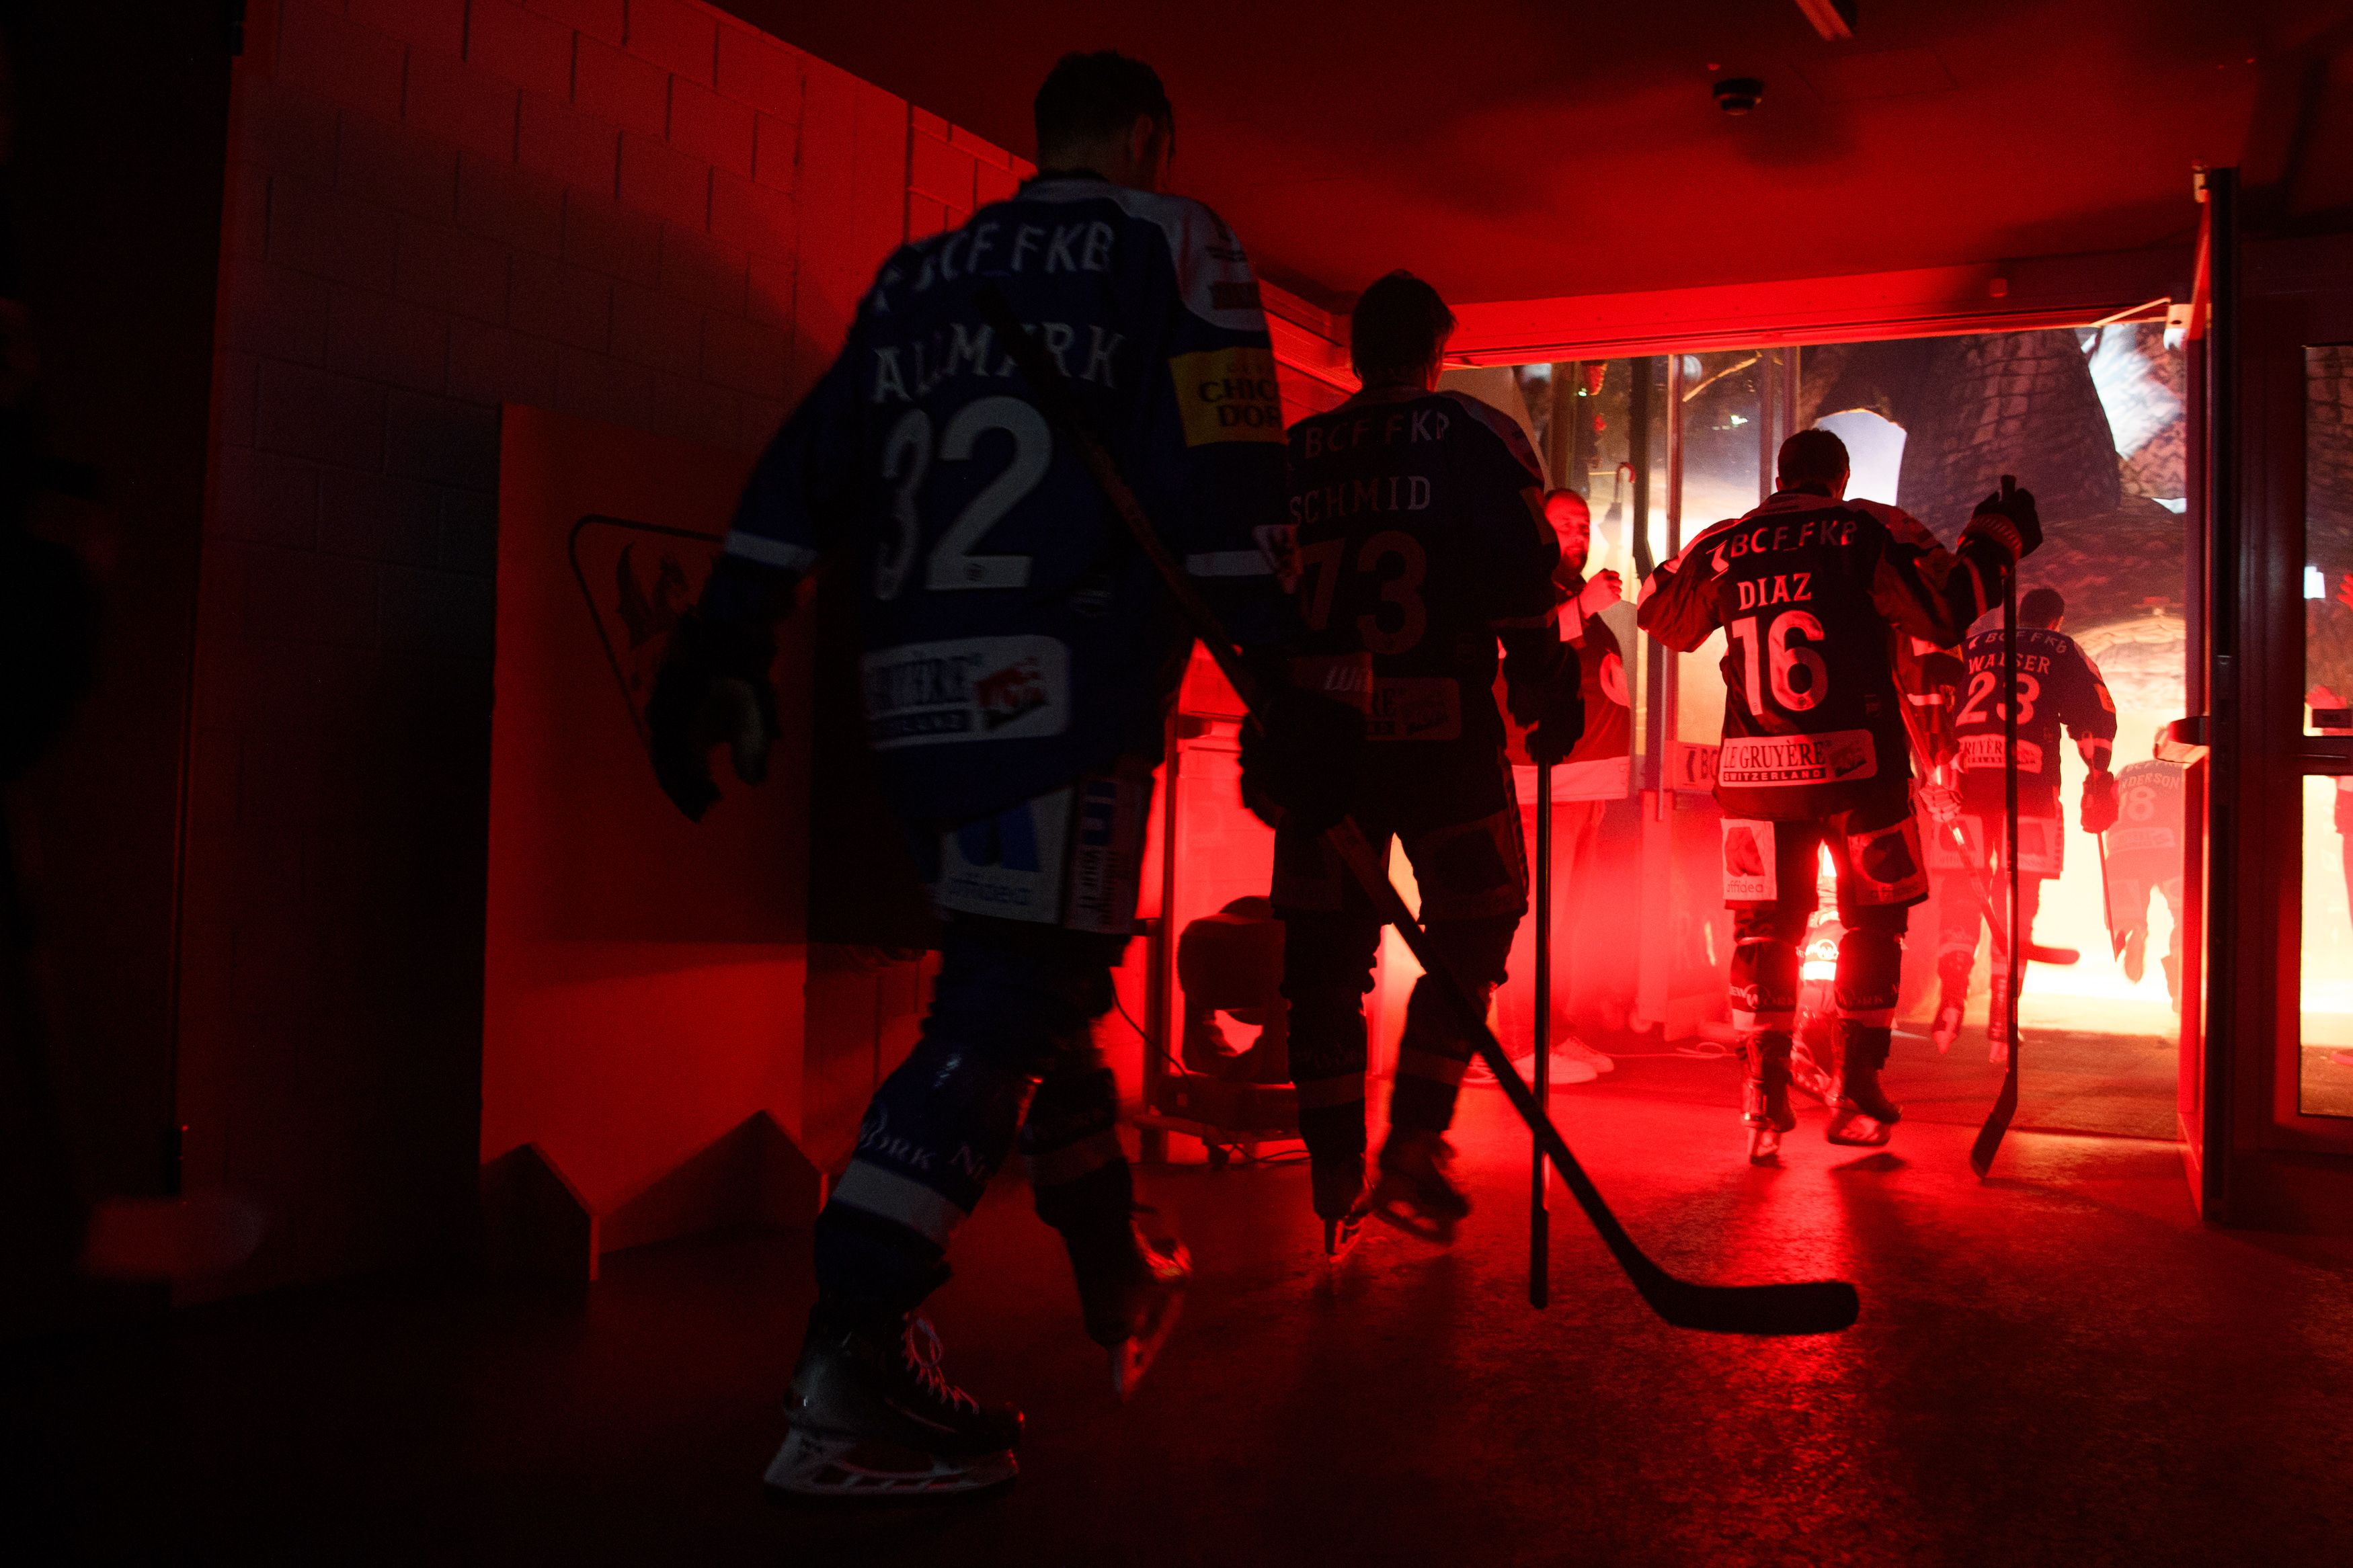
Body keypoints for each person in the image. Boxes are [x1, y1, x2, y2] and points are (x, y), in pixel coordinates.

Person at [645, 51, 1339, 1497]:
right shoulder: (1177, 239)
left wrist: (726, 635)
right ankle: (853, 1348)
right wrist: (1279, 678)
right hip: (1061, 691)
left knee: (1039, 984)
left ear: (1041, 143)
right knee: (1014, 995)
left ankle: (1108, 1268)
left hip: (913, 701)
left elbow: (810, 461)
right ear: (1149, 135)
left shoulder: (924, 272)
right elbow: (1222, 460)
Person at [1252, 271, 1582, 1258]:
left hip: (1323, 742)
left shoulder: (1297, 453)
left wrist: (1268, 725)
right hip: (1442, 733)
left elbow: (1256, 586)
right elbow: (1527, 575)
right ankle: (1415, 1141)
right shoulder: (1474, 436)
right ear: (1438, 352)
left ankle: (1332, 1168)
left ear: (1355, 356)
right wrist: (1544, 687)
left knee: (1321, 960)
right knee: (1477, 921)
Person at [1636, 428, 2038, 1161]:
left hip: (1755, 783)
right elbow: (1945, 610)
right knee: (1872, 925)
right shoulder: (1861, 527)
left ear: (1780, 478)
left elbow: (1661, 616)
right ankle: (1856, 1087)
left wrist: (1683, 561)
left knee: (1762, 932)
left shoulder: (1727, 541)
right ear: (1839, 477)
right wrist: (1994, 539)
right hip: (1859, 775)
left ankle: (1761, 1094)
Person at [1477, 487, 1630, 1086]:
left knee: (1567, 924)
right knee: (1534, 918)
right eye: (1566, 524)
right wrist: (1585, 609)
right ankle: (1516, 1045)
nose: (1580, 534)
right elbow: (1501, 648)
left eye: (1585, 525)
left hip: (1583, 787)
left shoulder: (1570, 594)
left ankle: (1554, 1030)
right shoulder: (1517, 588)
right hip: (1539, 786)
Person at [1926, 586, 2118, 1059]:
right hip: (2029, 786)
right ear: (2056, 619)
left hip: (1966, 784)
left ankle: (1951, 998)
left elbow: (1936, 704)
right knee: (2019, 896)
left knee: (1960, 890)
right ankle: (2001, 1015)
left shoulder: (1972, 646)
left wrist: (1936, 770)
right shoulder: (2062, 648)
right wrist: (2098, 775)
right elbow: (2094, 716)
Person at [2104, 744, 2187, 1005]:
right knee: (2185, 915)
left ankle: (2135, 929)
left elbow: (2105, 805)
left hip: (2122, 852)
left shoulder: (2126, 772)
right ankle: (2179, 984)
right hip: (2167, 852)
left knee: (2129, 914)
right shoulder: (2184, 772)